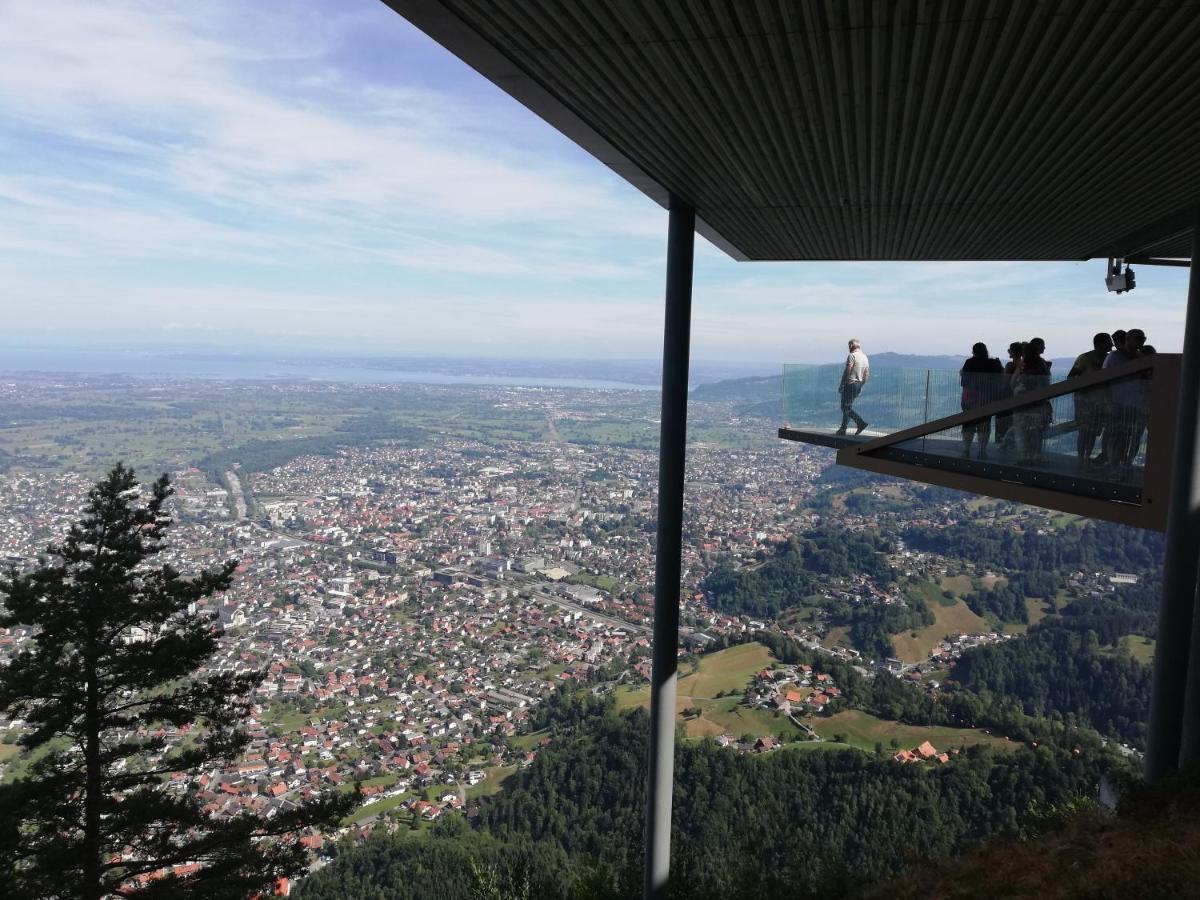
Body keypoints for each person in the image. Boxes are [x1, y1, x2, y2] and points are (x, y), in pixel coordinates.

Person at [1103, 329, 1147, 472]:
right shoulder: (1114, 357)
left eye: (1143, 338)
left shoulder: (1141, 358)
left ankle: (1125, 465)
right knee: (1117, 436)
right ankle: (1114, 466)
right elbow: (1104, 381)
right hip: (1118, 403)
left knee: (1132, 437)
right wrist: (1109, 403)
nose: (1142, 341)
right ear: (1128, 339)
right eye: (1139, 338)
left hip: (1135, 404)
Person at [1067, 332, 1114, 468]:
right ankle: (1082, 458)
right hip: (1085, 402)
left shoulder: (1107, 358)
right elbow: (1071, 378)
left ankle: (1085, 458)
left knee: (1093, 432)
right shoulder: (1085, 358)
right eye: (1108, 342)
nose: (1111, 345)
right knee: (1085, 431)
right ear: (1099, 344)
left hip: (1100, 402)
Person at [959, 342, 1004, 459]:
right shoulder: (992, 363)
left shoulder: (969, 363)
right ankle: (982, 451)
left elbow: (964, 382)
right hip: (986, 399)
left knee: (968, 424)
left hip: (969, 398)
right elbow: (1000, 378)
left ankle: (966, 450)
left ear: (973, 351)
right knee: (984, 425)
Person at [1013, 340, 1052, 465]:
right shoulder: (1042, 365)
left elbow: (1012, 382)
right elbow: (1046, 384)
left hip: (1020, 404)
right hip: (1038, 405)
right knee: (1036, 433)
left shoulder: (1021, 365)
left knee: (1021, 432)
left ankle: (1022, 457)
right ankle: (1035, 456)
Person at [836, 338, 870, 435]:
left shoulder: (852, 356)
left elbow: (848, 370)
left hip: (850, 384)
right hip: (858, 384)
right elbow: (866, 375)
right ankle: (844, 428)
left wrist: (842, 383)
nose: (848, 348)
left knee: (845, 407)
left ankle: (859, 423)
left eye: (849, 346)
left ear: (851, 346)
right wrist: (861, 386)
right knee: (847, 407)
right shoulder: (865, 358)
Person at [994, 341, 1023, 449]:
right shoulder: (1022, 365)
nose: (1008, 351)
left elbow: (1005, 383)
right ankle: (1012, 445)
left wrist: (1001, 370)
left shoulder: (1010, 365)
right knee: (1013, 423)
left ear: (1014, 352)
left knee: (1003, 424)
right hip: (1017, 399)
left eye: (1009, 349)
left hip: (1006, 398)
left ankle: (1002, 445)